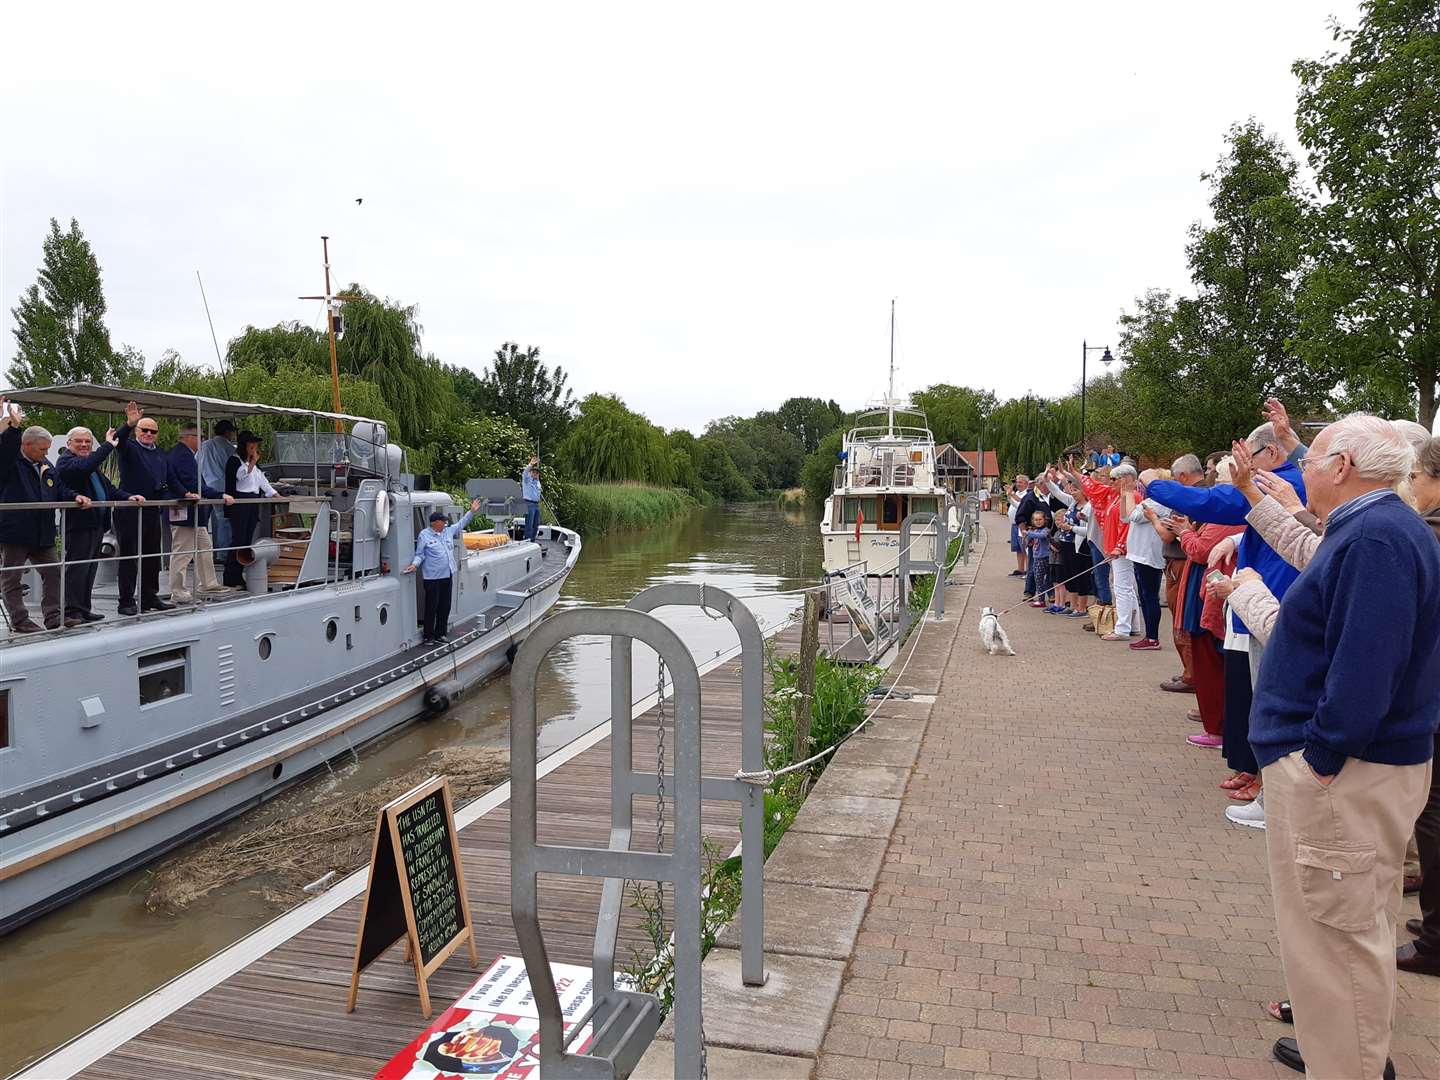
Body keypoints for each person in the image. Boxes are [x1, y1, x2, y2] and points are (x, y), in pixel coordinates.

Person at [1245, 414, 1438, 1080]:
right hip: (1353, 766)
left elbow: (1365, 667)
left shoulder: (1378, 535)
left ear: (1344, 467)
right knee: (1347, 930)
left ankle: (1352, 1066)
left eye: (1312, 458)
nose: (1304, 468)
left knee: (1334, 942)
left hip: (1344, 771)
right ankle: (1354, 1058)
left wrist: (1321, 760)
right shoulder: (1375, 529)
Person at [1147, 421, 1307, 829]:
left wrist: (1154, 484)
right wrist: (1234, 543)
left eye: (1247, 459)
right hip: (1256, 598)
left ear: (1270, 454)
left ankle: (1273, 797)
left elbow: (1215, 504)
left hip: (1267, 602)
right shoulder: (1285, 482)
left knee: (1269, 701)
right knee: (1256, 694)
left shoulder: (1278, 483)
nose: (1242, 469)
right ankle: (1262, 784)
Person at [0, 399, 93, 632]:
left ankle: (54, 617)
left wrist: (75, 497)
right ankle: (20, 620)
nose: (46, 453)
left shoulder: (46, 464)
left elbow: (59, 488)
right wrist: (13, 427)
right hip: (16, 531)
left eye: (47, 449)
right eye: (42, 449)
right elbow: (5, 450)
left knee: (53, 572)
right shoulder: (10, 463)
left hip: (43, 531)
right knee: (11, 578)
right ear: (26, 445)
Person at [1403, 436, 1440, 978]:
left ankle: (1436, 937)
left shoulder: (1429, 534)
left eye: (1416, 476)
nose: (1411, 486)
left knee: (1431, 814)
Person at [56, 425, 144, 624]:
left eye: (88, 441)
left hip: (95, 523)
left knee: (90, 568)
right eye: (79, 441)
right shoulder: (67, 462)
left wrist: (129, 496)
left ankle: (84, 608)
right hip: (79, 524)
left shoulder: (91, 464)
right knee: (77, 568)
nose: (85, 445)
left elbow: (109, 488)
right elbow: (83, 468)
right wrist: (107, 446)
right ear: (69, 444)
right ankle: (72, 610)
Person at [113, 402, 176, 614]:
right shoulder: (129, 447)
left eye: (153, 431)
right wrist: (129, 424)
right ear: (138, 431)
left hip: (151, 509)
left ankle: (149, 596)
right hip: (130, 509)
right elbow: (118, 440)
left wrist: (185, 494)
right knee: (130, 556)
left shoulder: (160, 454)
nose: (149, 434)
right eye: (144, 430)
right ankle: (126, 601)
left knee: (152, 556)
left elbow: (168, 479)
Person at [166, 423, 232, 603]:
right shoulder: (181, 456)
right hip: (184, 511)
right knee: (183, 551)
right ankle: (178, 591)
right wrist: (218, 494)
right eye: (200, 437)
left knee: (204, 546)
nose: (202, 441)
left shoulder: (185, 454)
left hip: (193, 513)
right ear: (190, 437)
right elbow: (192, 483)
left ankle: (208, 583)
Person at [404, 499, 481, 642]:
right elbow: (420, 554)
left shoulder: (447, 531)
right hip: (432, 578)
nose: (445, 523)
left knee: (445, 606)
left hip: (447, 576)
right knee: (431, 607)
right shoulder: (424, 535)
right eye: (442, 521)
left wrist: (472, 511)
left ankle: (441, 633)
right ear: (435, 523)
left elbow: (460, 524)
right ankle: (428, 636)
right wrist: (415, 564)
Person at [1158, 454, 1204, 692]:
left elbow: (1167, 534)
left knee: (1182, 620)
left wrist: (1154, 519)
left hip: (1181, 563)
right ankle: (1191, 671)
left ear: (1184, 476)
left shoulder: (1187, 499)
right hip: (1185, 561)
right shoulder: (1206, 494)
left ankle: (1191, 674)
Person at [224, 430, 278, 587]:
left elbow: (261, 480)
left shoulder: (255, 464)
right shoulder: (235, 461)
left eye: (255, 444)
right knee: (238, 539)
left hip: (252, 501)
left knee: (247, 539)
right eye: (251, 444)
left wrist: (275, 494)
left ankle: (239, 573)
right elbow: (240, 477)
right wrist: (251, 462)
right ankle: (230, 575)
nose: (254, 446)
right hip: (240, 501)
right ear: (244, 445)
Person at [1126, 469, 1172, 651]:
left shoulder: (1159, 502)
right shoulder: (1150, 501)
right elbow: (1127, 516)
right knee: (1144, 596)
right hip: (1139, 553)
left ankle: (1153, 637)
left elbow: (1134, 516)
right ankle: (1149, 635)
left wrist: (1128, 493)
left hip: (1149, 555)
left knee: (1149, 595)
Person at [198, 419, 238, 563]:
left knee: (203, 521)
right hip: (223, 487)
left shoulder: (204, 445)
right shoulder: (229, 448)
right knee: (224, 520)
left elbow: (196, 462)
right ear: (228, 432)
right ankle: (223, 554)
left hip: (205, 486)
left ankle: (202, 552)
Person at [1022, 510, 1052, 608]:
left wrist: (1029, 533)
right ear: (1033, 521)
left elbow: (1042, 536)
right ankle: (1041, 599)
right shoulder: (1034, 531)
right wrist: (1026, 538)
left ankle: (1045, 599)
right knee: (1038, 579)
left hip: (1044, 557)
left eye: (1040, 519)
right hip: (1037, 557)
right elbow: (1028, 543)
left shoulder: (1046, 530)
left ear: (1044, 520)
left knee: (1044, 579)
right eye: (1036, 520)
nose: (1038, 521)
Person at [521, 457, 543, 542]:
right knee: (529, 524)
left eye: (537, 473)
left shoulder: (537, 482)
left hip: (536, 505)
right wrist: (531, 464)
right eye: (533, 472)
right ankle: (527, 541)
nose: (535, 474)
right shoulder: (527, 480)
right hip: (529, 504)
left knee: (536, 524)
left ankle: (532, 541)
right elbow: (524, 473)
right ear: (530, 473)